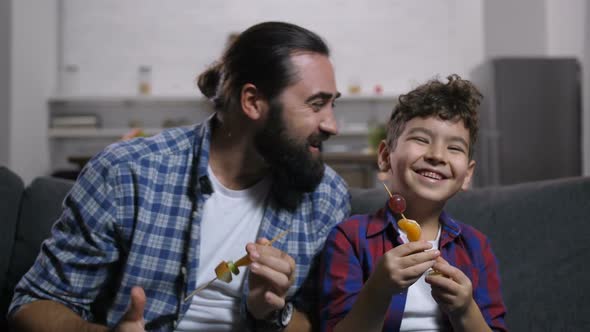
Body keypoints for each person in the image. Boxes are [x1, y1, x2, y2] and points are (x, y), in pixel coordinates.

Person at [8, 21, 350, 331]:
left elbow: (318, 323)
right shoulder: (127, 173)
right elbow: (31, 306)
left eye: (333, 104)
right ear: (253, 102)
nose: (332, 124)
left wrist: (275, 312)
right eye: (316, 104)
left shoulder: (326, 196)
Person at [318, 75, 507, 331]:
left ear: (467, 175)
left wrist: (465, 309)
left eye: (454, 148)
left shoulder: (476, 248)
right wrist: (377, 290)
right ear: (385, 158)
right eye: (421, 139)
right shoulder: (349, 238)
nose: (437, 155)